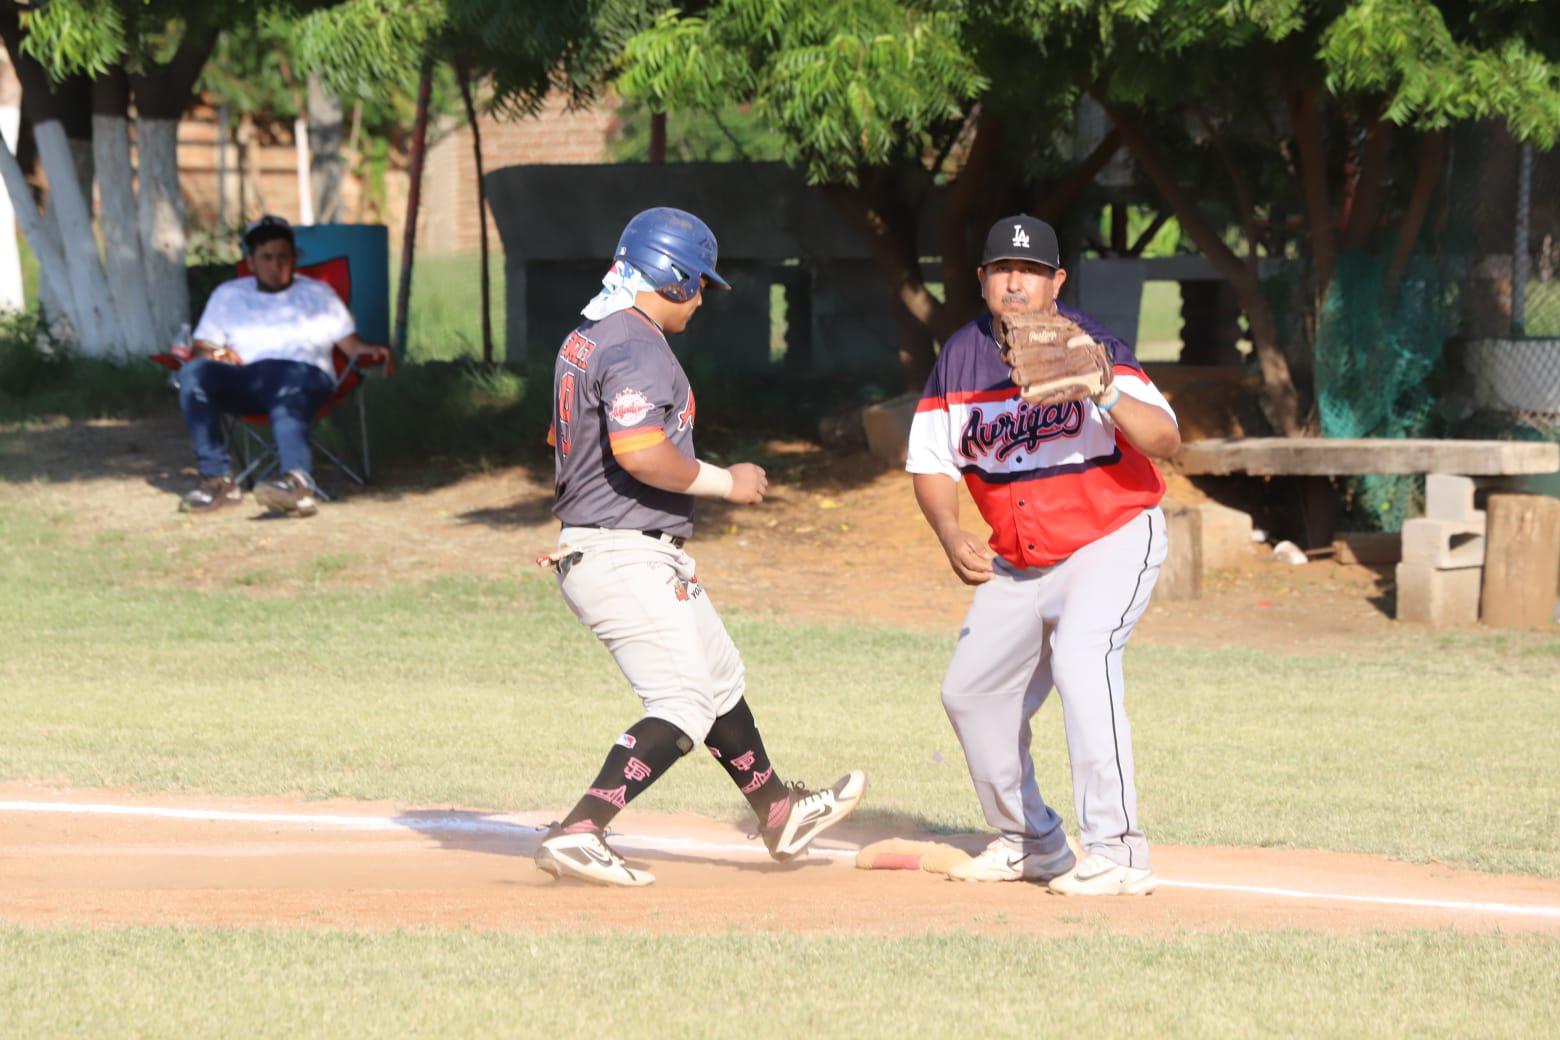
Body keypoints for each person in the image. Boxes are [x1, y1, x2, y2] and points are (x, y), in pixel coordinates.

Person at [535, 206, 867, 887]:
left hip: (621, 545)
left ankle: (778, 811)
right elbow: (637, 451)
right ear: (676, 280)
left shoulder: (591, 333)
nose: (702, 301)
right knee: (684, 698)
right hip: (620, 551)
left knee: (717, 677)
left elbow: (564, 441)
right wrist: (727, 482)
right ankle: (581, 829)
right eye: (701, 287)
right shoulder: (634, 345)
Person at [906, 215, 1181, 896]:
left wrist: (1104, 387)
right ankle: (1030, 841)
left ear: (1056, 282)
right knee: (970, 694)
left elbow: (1167, 438)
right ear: (982, 280)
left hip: (1110, 538)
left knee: (1083, 657)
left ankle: (1118, 854)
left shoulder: (1092, 345)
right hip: (1020, 560)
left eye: (1031, 271)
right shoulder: (960, 359)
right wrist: (948, 530)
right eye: (1003, 268)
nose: (1016, 281)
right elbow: (931, 462)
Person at [176, 215, 395, 517]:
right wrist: (217, 352)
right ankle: (217, 480)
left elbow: (351, 345)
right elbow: (202, 348)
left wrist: (373, 350)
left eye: (283, 257)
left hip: (303, 376)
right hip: (248, 379)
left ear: (294, 259)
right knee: (193, 373)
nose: (276, 265)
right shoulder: (229, 295)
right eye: (266, 258)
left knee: (285, 383)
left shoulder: (319, 294)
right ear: (250, 262)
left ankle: (297, 483)